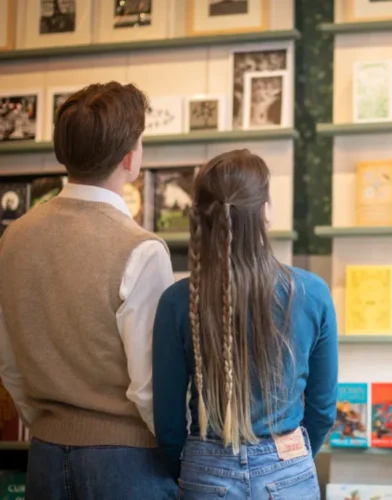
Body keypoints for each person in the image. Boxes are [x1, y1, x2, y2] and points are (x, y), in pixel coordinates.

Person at [0, 82, 177, 499]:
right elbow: (150, 386)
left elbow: (9, 364)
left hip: (43, 454)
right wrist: (177, 454)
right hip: (127, 461)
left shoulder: (13, 239)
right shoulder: (141, 248)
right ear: (131, 157)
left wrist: (49, 422)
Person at [153, 149, 338, 499]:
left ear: (201, 217)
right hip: (289, 467)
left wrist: (195, 468)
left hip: (205, 468)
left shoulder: (176, 301)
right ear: (265, 211)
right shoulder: (312, 293)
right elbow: (323, 409)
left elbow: (168, 424)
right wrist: (290, 461)